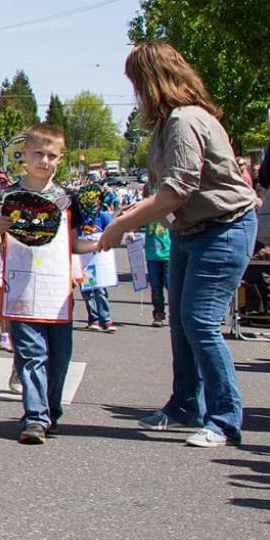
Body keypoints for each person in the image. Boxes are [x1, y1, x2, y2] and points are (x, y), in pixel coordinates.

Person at [99, 41, 258, 448]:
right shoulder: (170, 122)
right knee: (182, 324)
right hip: (191, 232)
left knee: (201, 322)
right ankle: (185, 404)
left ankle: (224, 419)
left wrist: (123, 223)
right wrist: (138, 208)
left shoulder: (186, 120)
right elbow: (167, 189)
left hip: (223, 229)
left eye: (137, 82)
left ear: (153, 80)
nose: (135, 92)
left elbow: (177, 190)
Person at [0, 124, 97, 444]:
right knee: (32, 355)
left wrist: (102, 243)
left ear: (60, 159)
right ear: (24, 156)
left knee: (59, 358)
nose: (44, 161)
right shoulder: (7, 197)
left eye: (52, 156)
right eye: (38, 154)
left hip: (56, 292)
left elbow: (73, 245)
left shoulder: (66, 200)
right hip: (21, 289)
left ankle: (51, 410)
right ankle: (35, 417)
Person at [145, 220, 171, 327]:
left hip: (168, 255)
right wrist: (131, 232)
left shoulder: (168, 214)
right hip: (152, 256)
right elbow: (135, 222)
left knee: (170, 285)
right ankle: (158, 314)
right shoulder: (148, 215)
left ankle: (176, 314)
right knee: (155, 287)